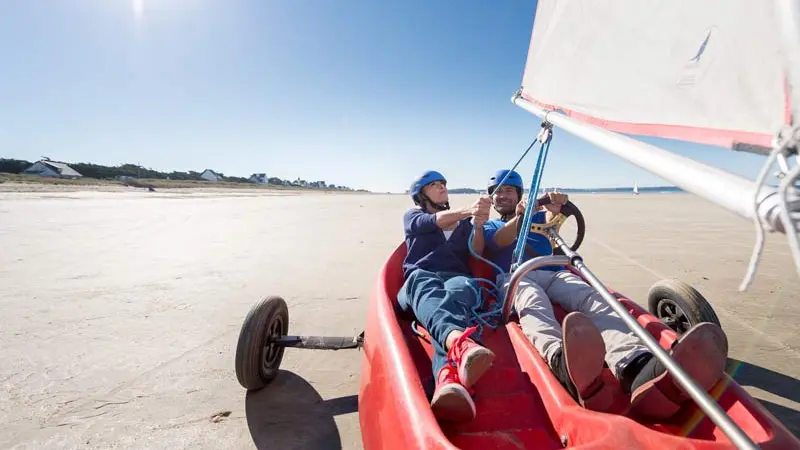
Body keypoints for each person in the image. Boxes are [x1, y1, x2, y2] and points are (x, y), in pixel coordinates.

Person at [476, 169, 729, 420]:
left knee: (592, 298)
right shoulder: (489, 224)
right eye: (497, 192)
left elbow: (559, 218)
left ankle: (634, 365)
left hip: (553, 270)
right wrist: (522, 216)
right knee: (532, 302)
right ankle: (559, 360)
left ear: (518, 193)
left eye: (508, 191)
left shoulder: (540, 216)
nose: (502, 196)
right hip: (516, 275)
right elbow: (498, 240)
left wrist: (558, 206)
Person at [397, 170, 496, 423]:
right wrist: (468, 211)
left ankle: (447, 379)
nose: (442, 187)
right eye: (434, 185)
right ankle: (460, 344)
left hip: (454, 277)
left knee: (461, 289)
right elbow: (436, 222)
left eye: (443, 184)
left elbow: (477, 250)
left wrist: (478, 225)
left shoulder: (463, 223)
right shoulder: (414, 216)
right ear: (421, 195)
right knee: (424, 282)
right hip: (417, 282)